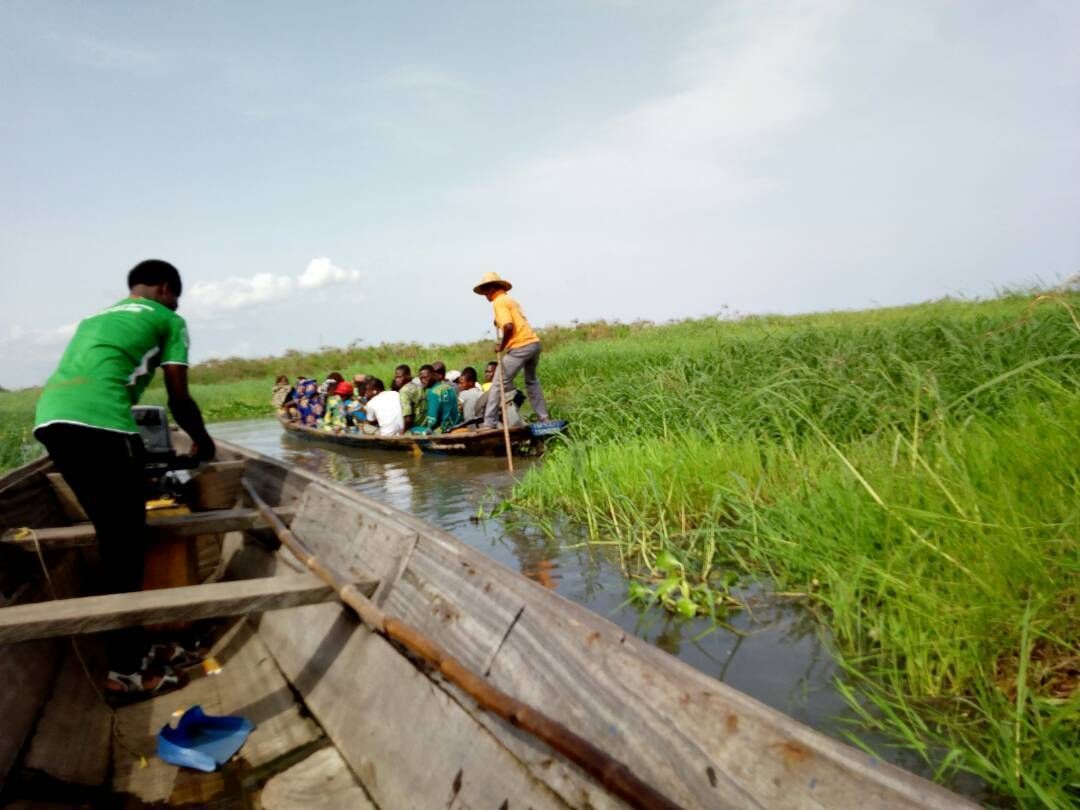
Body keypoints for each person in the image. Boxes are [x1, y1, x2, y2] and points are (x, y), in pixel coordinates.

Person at [33, 259, 216, 702]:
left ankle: (137, 645)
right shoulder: (170, 319)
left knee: (114, 539)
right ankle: (125, 672)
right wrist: (203, 441)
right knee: (125, 546)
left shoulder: (97, 317)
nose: (175, 302)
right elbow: (178, 395)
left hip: (52, 419)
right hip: (102, 425)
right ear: (167, 288)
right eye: (175, 294)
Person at [473, 272, 552, 428]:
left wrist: (501, 346)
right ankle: (544, 418)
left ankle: (489, 422)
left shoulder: (498, 302)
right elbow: (512, 321)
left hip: (520, 346)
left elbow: (508, 326)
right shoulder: (510, 300)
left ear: (491, 289)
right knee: (532, 382)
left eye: (485, 291)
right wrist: (499, 322)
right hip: (534, 344)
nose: (485, 296)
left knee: (498, 383)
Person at [411, 364, 460, 434]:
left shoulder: (433, 392)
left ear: (434, 375)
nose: (423, 380)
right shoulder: (449, 388)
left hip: (444, 430)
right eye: (421, 378)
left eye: (425, 377)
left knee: (412, 430)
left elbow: (432, 421)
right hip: (455, 425)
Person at [393, 364, 425, 431]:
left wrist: (403, 432)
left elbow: (408, 419)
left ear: (408, 376)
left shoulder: (404, 391)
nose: (396, 380)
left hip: (415, 428)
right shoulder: (419, 386)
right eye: (396, 377)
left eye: (399, 377)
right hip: (424, 424)